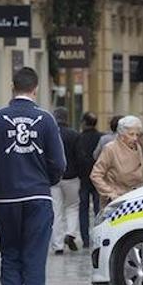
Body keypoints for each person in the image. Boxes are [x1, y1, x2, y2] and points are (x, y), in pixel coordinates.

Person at [0, 67, 65, 285]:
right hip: (38, 197)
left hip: (7, 199)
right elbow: (59, 163)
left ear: (12, 86)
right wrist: (46, 181)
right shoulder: (46, 119)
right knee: (35, 258)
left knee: (10, 254)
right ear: (35, 89)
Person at [90, 115, 143, 206]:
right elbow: (95, 175)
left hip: (134, 198)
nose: (135, 138)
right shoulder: (110, 149)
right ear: (122, 135)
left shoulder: (138, 147)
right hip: (116, 201)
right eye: (131, 134)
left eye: (137, 134)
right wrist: (110, 193)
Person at [51, 107, 81, 255]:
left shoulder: (51, 134)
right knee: (72, 207)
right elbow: (79, 157)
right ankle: (70, 233)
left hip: (54, 178)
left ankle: (58, 245)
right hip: (72, 177)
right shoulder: (74, 135)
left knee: (56, 211)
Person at [76, 112, 102, 248]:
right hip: (98, 178)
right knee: (98, 209)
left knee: (83, 209)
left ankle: (85, 240)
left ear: (84, 123)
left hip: (84, 178)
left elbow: (77, 157)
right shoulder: (101, 137)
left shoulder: (80, 138)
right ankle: (99, 236)